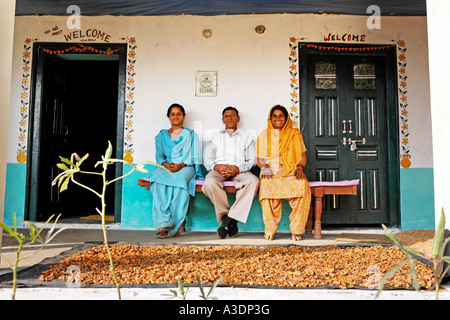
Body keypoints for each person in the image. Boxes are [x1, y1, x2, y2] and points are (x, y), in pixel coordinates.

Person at [202, 106, 260, 238]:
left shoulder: (246, 138)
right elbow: (207, 159)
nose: (229, 118)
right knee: (209, 182)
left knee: (254, 181)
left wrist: (238, 168)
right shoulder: (215, 137)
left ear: (238, 118)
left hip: (239, 171)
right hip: (218, 170)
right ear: (222, 120)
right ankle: (229, 218)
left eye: (232, 115)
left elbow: (252, 160)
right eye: (226, 116)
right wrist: (217, 167)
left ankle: (227, 220)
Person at [256, 105, 311, 241]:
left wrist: (300, 167)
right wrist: (264, 167)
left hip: (292, 170)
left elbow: (303, 155)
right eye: (274, 116)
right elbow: (258, 158)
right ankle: (270, 228)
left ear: (286, 118)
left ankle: (297, 230)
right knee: (266, 187)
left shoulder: (295, 134)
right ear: (270, 118)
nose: (277, 118)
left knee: (303, 188)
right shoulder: (265, 134)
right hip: (271, 171)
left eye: (281, 115)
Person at [149, 103, 203, 238]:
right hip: (167, 166)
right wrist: (165, 164)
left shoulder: (191, 135)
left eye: (179, 114)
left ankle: (175, 224)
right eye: (172, 114)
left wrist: (181, 165)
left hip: (186, 167)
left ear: (183, 116)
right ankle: (162, 223)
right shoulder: (161, 135)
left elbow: (195, 156)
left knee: (179, 181)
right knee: (156, 177)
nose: (176, 116)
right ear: (168, 116)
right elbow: (159, 156)